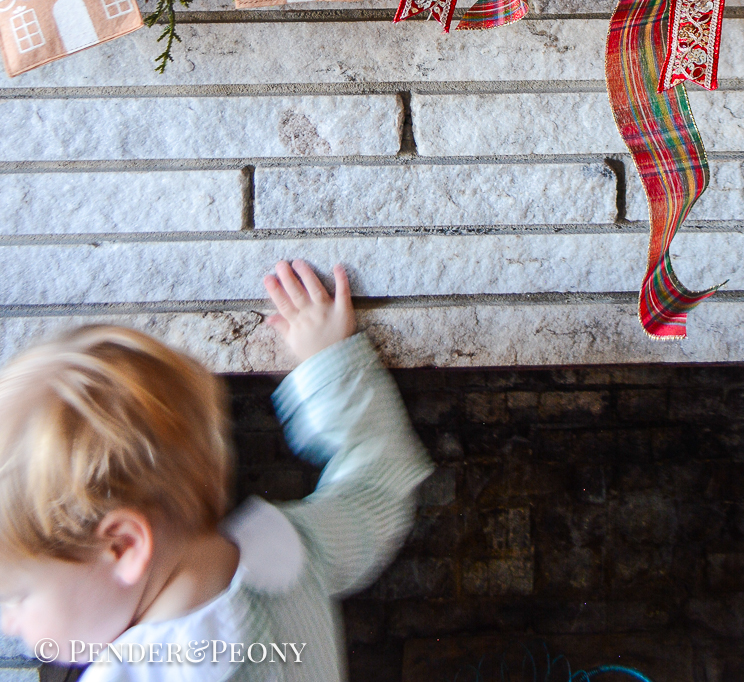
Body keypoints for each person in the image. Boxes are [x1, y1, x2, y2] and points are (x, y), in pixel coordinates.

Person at [0, 259, 432, 678]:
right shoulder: (294, 552)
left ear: (124, 546)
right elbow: (377, 486)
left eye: (16, 597)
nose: (8, 626)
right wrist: (328, 362)